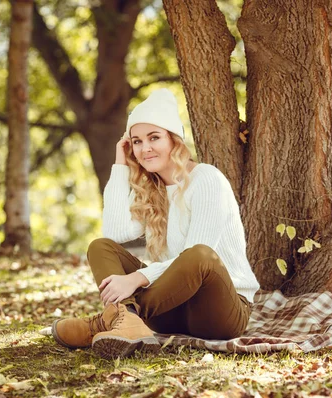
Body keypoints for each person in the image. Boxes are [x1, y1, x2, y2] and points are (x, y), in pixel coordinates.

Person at [50, 88, 260, 359]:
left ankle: (106, 321)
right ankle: (129, 321)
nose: (145, 148)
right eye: (137, 141)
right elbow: (113, 232)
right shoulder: (152, 190)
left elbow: (199, 256)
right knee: (101, 247)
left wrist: (137, 278)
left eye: (154, 138)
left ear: (174, 140)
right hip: (171, 309)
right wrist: (119, 163)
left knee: (199, 255)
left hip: (220, 312)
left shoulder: (206, 179)